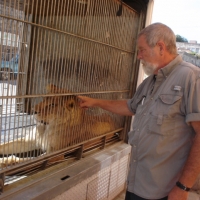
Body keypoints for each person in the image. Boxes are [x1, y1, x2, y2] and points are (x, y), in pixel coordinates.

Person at [78, 23, 200, 200]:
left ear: (160, 47)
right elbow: (130, 107)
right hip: (137, 183)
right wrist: (96, 102)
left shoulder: (191, 78)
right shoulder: (150, 81)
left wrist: (183, 187)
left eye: (142, 50)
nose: (138, 56)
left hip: (165, 191)